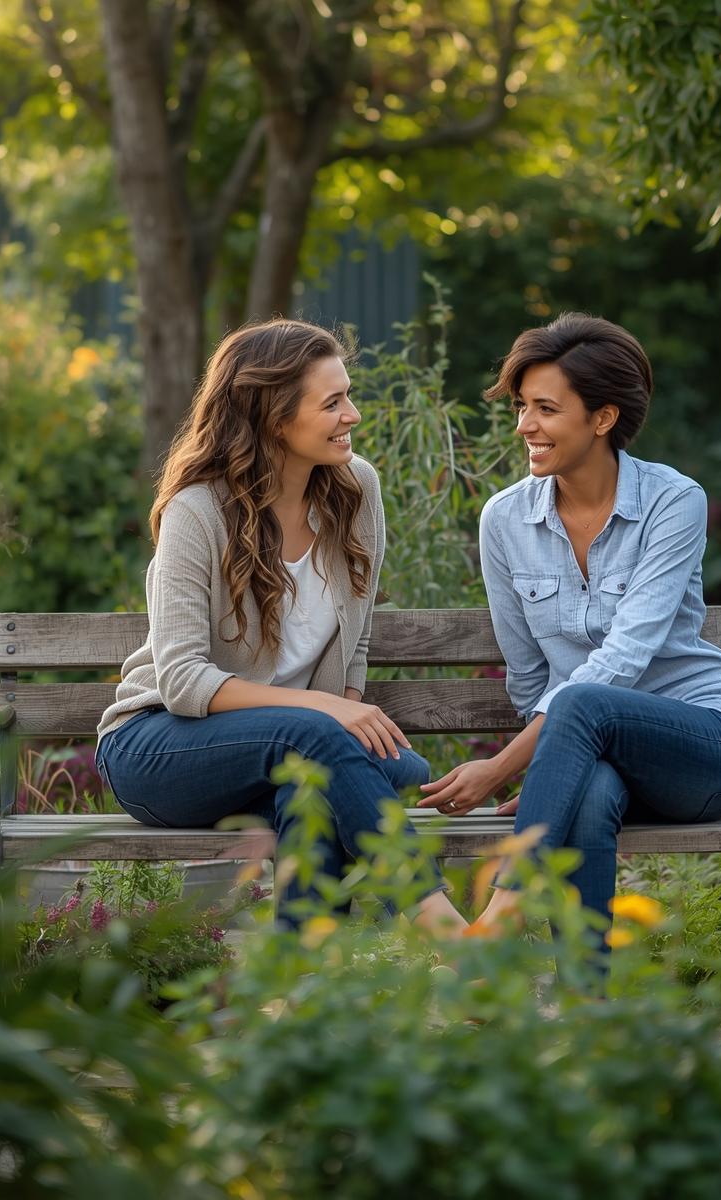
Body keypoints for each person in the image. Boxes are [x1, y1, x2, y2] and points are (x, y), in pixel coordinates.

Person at [96, 319, 465, 933]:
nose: (353, 414)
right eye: (332, 402)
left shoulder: (356, 491)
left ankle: (306, 989)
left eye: (348, 395)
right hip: (160, 746)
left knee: (332, 782)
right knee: (330, 746)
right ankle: (445, 928)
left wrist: (341, 709)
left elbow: (357, 639)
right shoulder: (198, 511)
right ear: (273, 416)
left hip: (288, 752)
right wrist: (326, 714)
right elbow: (183, 681)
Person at [419, 313, 721, 934]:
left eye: (546, 409)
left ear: (602, 418)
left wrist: (504, 767)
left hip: (704, 750)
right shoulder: (503, 520)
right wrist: (559, 768)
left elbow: (623, 661)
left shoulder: (673, 501)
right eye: (523, 407)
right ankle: (587, 1009)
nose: (525, 425)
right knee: (589, 797)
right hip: (599, 756)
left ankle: (500, 918)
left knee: (586, 697)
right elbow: (527, 677)